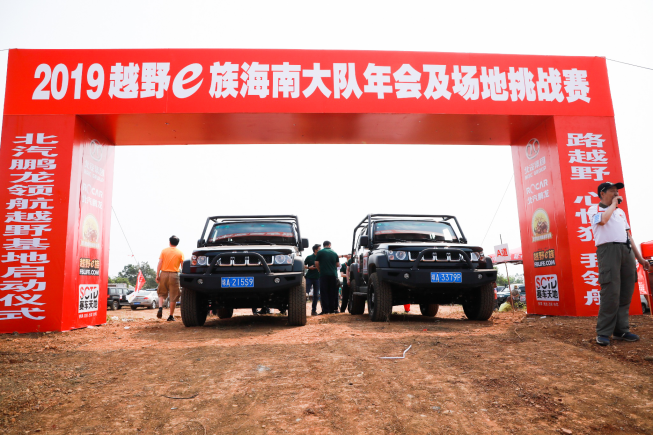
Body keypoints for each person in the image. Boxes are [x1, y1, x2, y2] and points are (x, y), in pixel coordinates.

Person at [589, 182, 650, 346]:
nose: (616, 193)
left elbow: (628, 236)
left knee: (626, 291)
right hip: (608, 251)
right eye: (612, 191)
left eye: (617, 191)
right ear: (602, 193)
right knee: (611, 291)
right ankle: (603, 332)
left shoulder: (621, 212)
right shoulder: (594, 209)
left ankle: (621, 330)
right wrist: (613, 205)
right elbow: (603, 221)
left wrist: (640, 259)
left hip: (626, 250)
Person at [156, 235, 184, 321]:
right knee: (173, 296)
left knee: (161, 293)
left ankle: (160, 307)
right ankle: (171, 316)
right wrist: (183, 275)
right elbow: (183, 266)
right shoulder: (180, 253)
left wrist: (157, 275)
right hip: (174, 275)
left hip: (164, 274)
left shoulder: (164, 251)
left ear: (170, 242)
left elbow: (160, 262)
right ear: (177, 243)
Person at [315, 241, 340, 314]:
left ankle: (325, 310)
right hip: (333, 275)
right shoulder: (334, 253)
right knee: (332, 292)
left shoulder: (320, 252)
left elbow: (316, 263)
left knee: (324, 292)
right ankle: (332, 310)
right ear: (329, 245)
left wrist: (319, 270)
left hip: (323, 275)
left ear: (324, 245)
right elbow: (338, 265)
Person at [305, 244, 322, 316]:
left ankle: (313, 311)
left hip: (318, 278)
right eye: (319, 249)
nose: (321, 250)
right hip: (309, 277)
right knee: (305, 294)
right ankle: (301, 310)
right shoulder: (309, 257)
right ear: (315, 250)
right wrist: (309, 267)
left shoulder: (321, 258)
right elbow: (303, 265)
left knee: (316, 295)